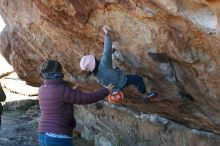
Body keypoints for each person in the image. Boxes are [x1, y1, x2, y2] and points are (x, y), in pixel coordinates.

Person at [38, 60, 114, 146]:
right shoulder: (62, 90)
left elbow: (57, 99)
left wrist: (71, 92)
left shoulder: (42, 89)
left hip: (43, 134)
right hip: (58, 136)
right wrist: (106, 91)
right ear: (58, 72)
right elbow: (85, 99)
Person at [80, 26, 157, 102]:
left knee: (114, 69)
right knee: (138, 79)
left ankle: (118, 91)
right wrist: (106, 33)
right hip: (122, 81)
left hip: (114, 88)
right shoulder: (104, 63)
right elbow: (107, 49)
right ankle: (145, 95)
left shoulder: (95, 75)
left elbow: (103, 63)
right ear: (94, 60)